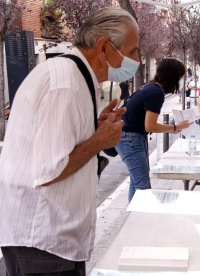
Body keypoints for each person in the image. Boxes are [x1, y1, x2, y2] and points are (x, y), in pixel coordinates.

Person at [0, 7, 137, 275]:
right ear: (103, 47)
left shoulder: (75, 76)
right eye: (132, 51)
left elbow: (59, 142)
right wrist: (98, 140)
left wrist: (96, 128)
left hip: (52, 239)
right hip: (42, 240)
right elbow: (51, 168)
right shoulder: (64, 83)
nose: (136, 59)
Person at [116, 58, 192, 202]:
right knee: (143, 186)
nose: (180, 80)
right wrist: (176, 127)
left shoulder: (150, 87)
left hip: (132, 136)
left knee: (136, 182)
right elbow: (150, 126)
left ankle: (134, 218)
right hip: (130, 138)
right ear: (173, 76)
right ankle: (138, 220)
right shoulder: (155, 93)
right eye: (180, 76)